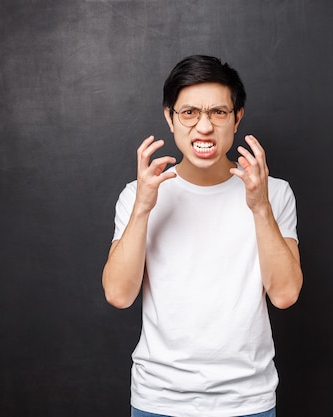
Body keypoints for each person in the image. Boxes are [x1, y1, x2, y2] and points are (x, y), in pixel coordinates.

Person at [102, 55, 303, 417]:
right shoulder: (137, 195)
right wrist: (145, 207)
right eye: (189, 113)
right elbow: (118, 294)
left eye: (218, 113)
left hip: (247, 401)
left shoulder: (275, 194)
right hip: (158, 400)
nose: (204, 127)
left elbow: (285, 295)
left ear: (237, 117)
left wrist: (260, 207)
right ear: (170, 117)